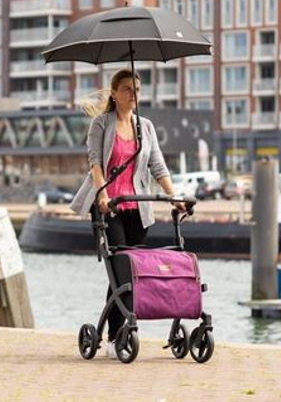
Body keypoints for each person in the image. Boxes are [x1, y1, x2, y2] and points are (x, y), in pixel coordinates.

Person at [70, 68, 183, 359]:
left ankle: (120, 331)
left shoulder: (146, 127)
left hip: (138, 207)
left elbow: (158, 165)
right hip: (109, 208)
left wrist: (174, 197)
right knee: (121, 273)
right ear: (115, 94)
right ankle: (115, 336)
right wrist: (102, 194)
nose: (133, 95)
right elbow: (95, 162)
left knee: (132, 274)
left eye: (137, 90)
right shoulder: (101, 124)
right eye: (127, 90)